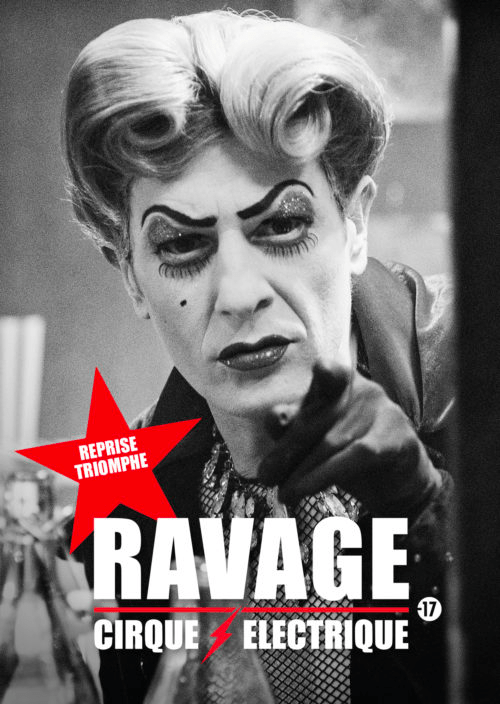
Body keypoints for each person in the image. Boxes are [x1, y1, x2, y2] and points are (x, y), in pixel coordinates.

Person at [62, 9, 454, 704]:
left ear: (354, 224)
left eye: (282, 224)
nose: (240, 295)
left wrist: (430, 516)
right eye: (181, 244)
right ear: (131, 277)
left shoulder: (477, 376)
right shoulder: (122, 513)